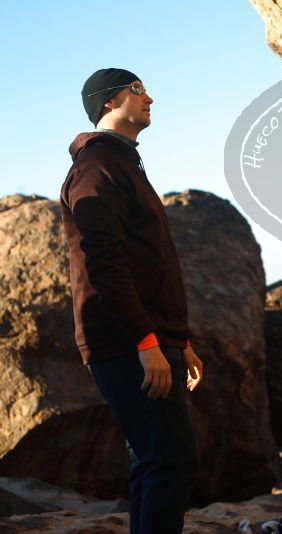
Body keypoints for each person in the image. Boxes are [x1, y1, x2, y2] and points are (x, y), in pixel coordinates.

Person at [60, 68, 202, 533]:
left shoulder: (121, 162)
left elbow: (147, 261)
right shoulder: (96, 167)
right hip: (124, 342)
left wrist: (179, 341)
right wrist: (146, 342)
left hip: (151, 338)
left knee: (153, 459)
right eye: (137, 90)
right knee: (171, 459)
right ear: (107, 103)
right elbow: (104, 265)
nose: (150, 98)